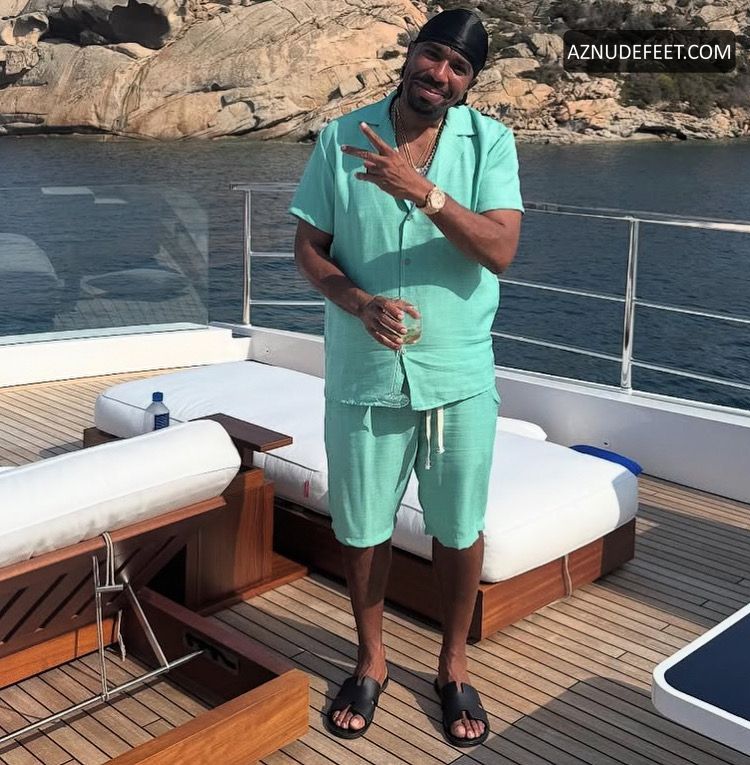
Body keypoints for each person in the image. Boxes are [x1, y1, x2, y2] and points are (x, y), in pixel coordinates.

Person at [290, 8, 523, 748]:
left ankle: (452, 665)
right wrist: (357, 301)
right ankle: (371, 660)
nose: (440, 74)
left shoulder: (491, 143)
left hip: (456, 374)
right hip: (364, 372)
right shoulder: (340, 137)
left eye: (459, 67)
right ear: (411, 52)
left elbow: (500, 249)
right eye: (433, 55)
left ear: (469, 81)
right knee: (362, 527)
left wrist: (421, 190)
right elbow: (308, 248)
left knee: (458, 527)